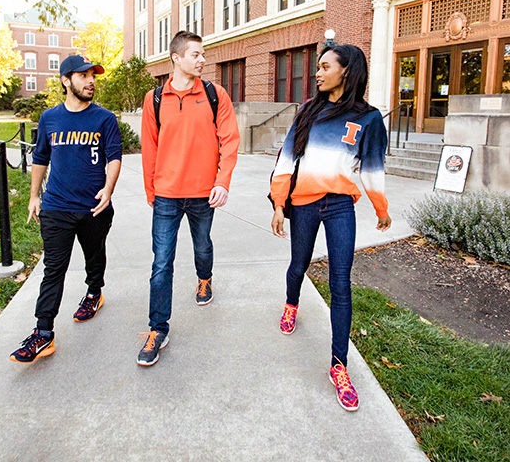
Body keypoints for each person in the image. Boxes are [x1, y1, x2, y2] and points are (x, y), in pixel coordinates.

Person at [270, 43, 391, 411]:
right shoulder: (308, 110)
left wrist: (380, 208)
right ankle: (292, 303)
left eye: (325, 67)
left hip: (340, 205)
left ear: (347, 71)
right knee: (298, 266)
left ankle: (339, 367)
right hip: (304, 203)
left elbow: (372, 168)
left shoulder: (369, 119)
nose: (317, 73)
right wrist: (279, 203)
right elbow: (287, 158)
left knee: (341, 282)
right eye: (318, 67)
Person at [10, 54, 122, 364]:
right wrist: (34, 196)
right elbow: (40, 159)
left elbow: (114, 156)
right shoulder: (49, 118)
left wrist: (108, 189)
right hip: (56, 206)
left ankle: (93, 292)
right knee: (53, 270)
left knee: (94, 256)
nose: (91, 81)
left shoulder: (104, 118)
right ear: (65, 80)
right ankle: (43, 333)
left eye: (93, 75)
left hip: (93, 207)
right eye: (83, 75)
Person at [137, 31, 240, 366]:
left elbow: (230, 139)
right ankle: (157, 328)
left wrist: (223, 181)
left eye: (203, 54)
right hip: (166, 194)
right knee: (161, 263)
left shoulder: (214, 94)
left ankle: (204, 278)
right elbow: (149, 147)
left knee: (202, 246)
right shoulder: (154, 99)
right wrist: (151, 189)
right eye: (195, 54)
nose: (202, 60)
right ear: (176, 59)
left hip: (202, 193)